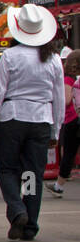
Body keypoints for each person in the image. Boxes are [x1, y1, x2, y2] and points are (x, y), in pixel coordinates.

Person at [0, 3, 66, 240]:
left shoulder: (10, 56)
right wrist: (55, 131)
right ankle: (30, 223)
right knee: (31, 173)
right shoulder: (54, 59)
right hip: (40, 120)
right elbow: (58, 98)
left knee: (7, 169)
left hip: (12, 117)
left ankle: (17, 209)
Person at [46, 50, 78, 196]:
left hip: (73, 119)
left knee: (69, 153)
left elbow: (66, 100)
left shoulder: (69, 80)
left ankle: (59, 186)